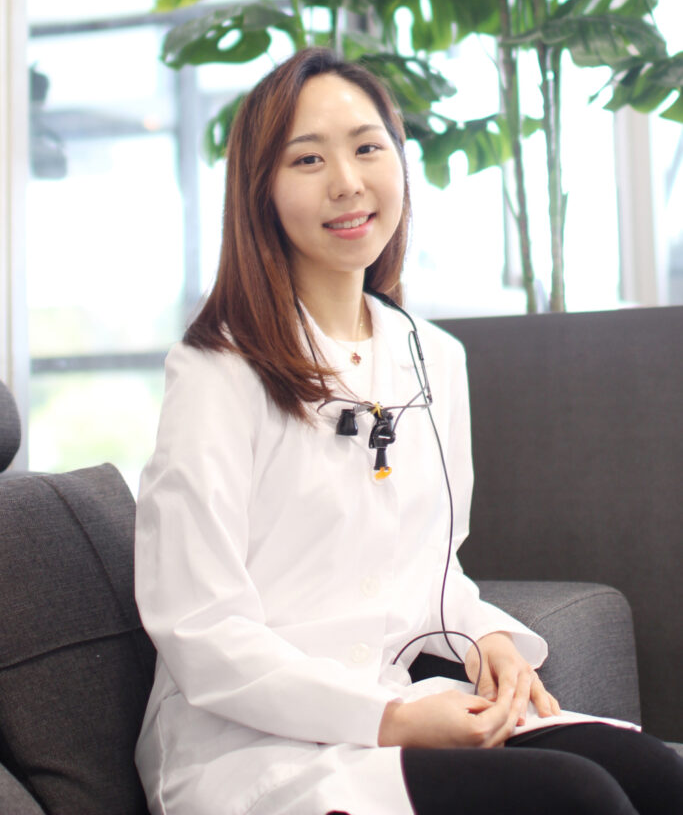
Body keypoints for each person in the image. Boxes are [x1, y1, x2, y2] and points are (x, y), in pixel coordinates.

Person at [135, 47, 683, 815]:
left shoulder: (432, 358)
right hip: (257, 748)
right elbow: (199, 629)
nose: (347, 183)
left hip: (400, 699)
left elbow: (432, 570)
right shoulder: (217, 370)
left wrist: (488, 638)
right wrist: (389, 720)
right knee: (575, 797)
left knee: (653, 773)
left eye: (366, 147)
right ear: (259, 190)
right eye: (307, 159)